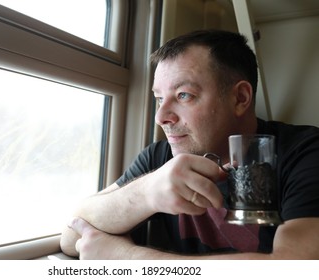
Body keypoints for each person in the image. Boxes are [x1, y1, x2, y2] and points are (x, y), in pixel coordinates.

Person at [60, 29, 319, 259]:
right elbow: (71, 236)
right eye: (159, 99)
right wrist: (146, 193)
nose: (161, 117)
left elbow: (295, 267)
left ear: (240, 98)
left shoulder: (306, 153)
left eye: (184, 95)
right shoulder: (159, 159)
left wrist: (128, 259)